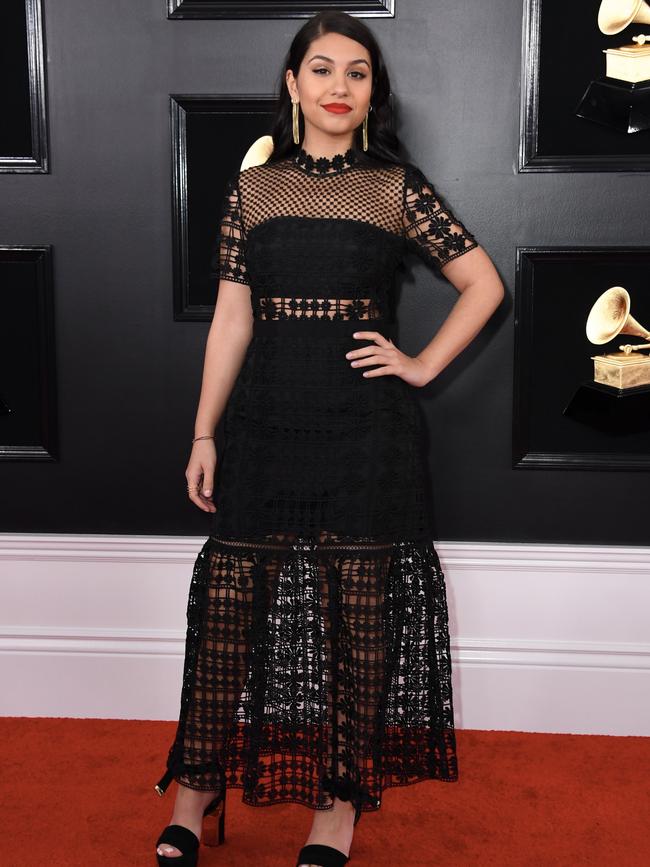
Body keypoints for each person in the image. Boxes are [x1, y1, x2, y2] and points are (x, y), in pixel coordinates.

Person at [154, 10, 504, 867]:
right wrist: (204, 431)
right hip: (267, 418)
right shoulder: (255, 191)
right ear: (293, 85)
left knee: (359, 616)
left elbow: (483, 282)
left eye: (357, 71)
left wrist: (420, 364)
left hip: (363, 428)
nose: (339, 86)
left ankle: (339, 802)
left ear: (373, 90)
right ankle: (195, 791)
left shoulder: (395, 187)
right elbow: (232, 320)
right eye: (322, 69)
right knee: (229, 609)